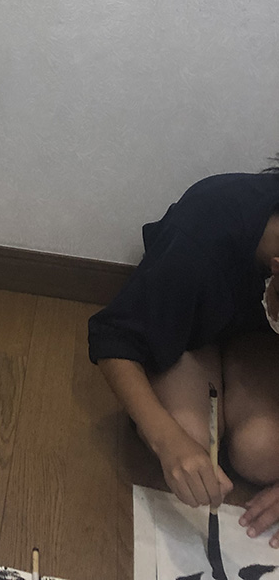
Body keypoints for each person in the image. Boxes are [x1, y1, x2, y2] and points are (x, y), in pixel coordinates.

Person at [88, 168, 279, 547]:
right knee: (189, 436)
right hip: (190, 332)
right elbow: (114, 340)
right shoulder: (202, 234)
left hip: (260, 341)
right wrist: (167, 441)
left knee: (264, 452)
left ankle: (234, 362)